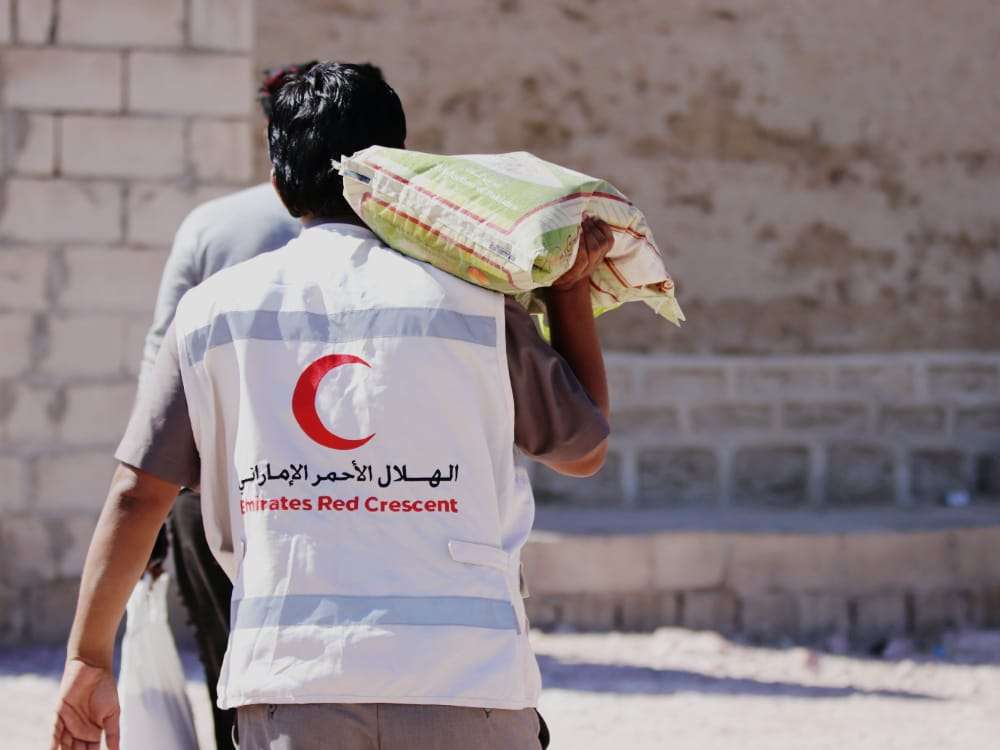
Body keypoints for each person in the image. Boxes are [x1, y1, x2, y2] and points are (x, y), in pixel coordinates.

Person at [52, 61, 612, 750]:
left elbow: (139, 494)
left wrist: (88, 659)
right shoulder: (476, 305)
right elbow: (584, 451)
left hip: (292, 682)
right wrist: (569, 294)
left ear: (279, 182)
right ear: (398, 169)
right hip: (468, 679)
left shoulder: (212, 312)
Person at [139, 62, 310, 750]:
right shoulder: (379, 233)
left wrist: (156, 504)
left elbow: (160, 360)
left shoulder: (212, 225)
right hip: (333, 480)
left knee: (227, 664)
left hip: (210, 484)